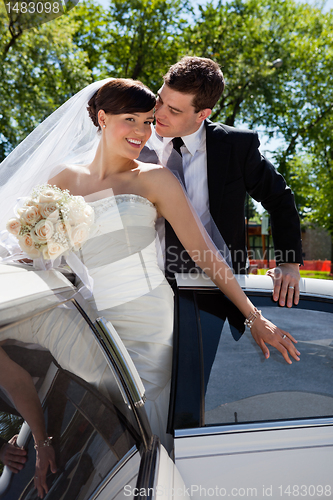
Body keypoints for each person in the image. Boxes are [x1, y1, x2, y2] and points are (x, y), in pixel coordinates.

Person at [0, 78, 300, 454]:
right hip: (91, 320)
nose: (142, 132)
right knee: (100, 426)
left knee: (141, 428)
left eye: (147, 121)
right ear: (103, 118)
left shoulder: (156, 179)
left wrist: (255, 317)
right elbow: (45, 257)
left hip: (148, 321)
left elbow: (206, 254)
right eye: (132, 120)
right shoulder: (63, 180)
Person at [139, 56, 303, 309]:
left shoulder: (237, 147)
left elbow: (280, 198)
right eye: (160, 99)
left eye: (174, 110)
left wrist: (288, 263)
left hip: (219, 292)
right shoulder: (135, 139)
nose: (159, 113)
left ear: (202, 114)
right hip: (147, 286)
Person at [0, 345, 56, 498]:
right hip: (48, 404)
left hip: (67, 368)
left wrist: (41, 442)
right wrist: (2, 448)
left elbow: (17, 384)